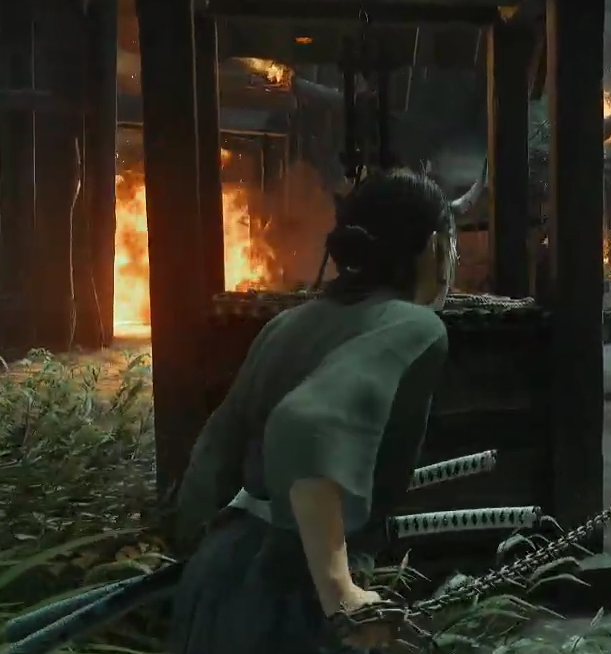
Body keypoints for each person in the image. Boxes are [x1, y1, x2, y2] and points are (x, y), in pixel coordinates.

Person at [168, 169, 457, 654]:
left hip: (214, 581)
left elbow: (209, 466)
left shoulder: (286, 324)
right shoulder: (415, 325)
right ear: (434, 247)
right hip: (288, 598)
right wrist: (339, 590)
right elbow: (305, 425)